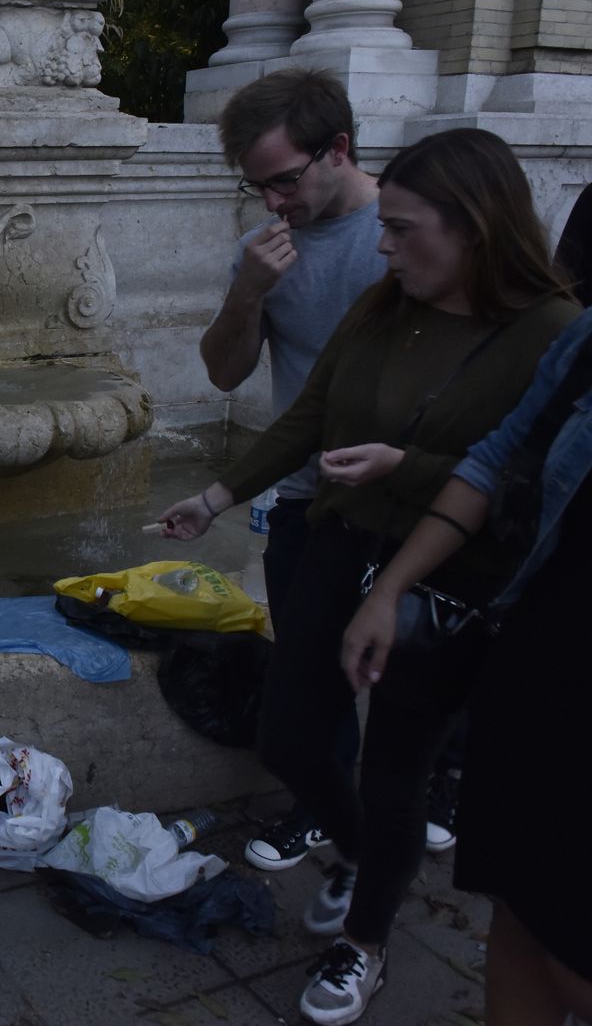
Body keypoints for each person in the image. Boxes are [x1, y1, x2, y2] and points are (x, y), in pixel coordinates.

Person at [157, 127, 580, 1025]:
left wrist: (408, 466)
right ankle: (361, 857)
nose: (382, 248)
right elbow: (310, 414)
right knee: (289, 738)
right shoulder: (388, 299)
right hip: (338, 542)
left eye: (402, 228)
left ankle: (368, 940)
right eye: (381, 227)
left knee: (397, 771)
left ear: (472, 225)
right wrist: (218, 493)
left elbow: (528, 481)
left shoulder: (551, 329)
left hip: (446, 582)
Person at [341, 309, 592, 1025]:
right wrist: (387, 591)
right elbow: (496, 460)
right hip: (548, 653)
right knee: (520, 908)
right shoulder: (585, 339)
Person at [201, 69, 390, 873]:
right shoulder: (262, 251)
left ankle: (407, 812)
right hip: (307, 493)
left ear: (337, 150)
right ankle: (332, 813)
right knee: (308, 673)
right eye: (258, 188)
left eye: (283, 180)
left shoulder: (405, 229)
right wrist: (248, 295)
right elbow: (223, 375)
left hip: (405, 500)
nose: (274, 203)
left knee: (401, 667)